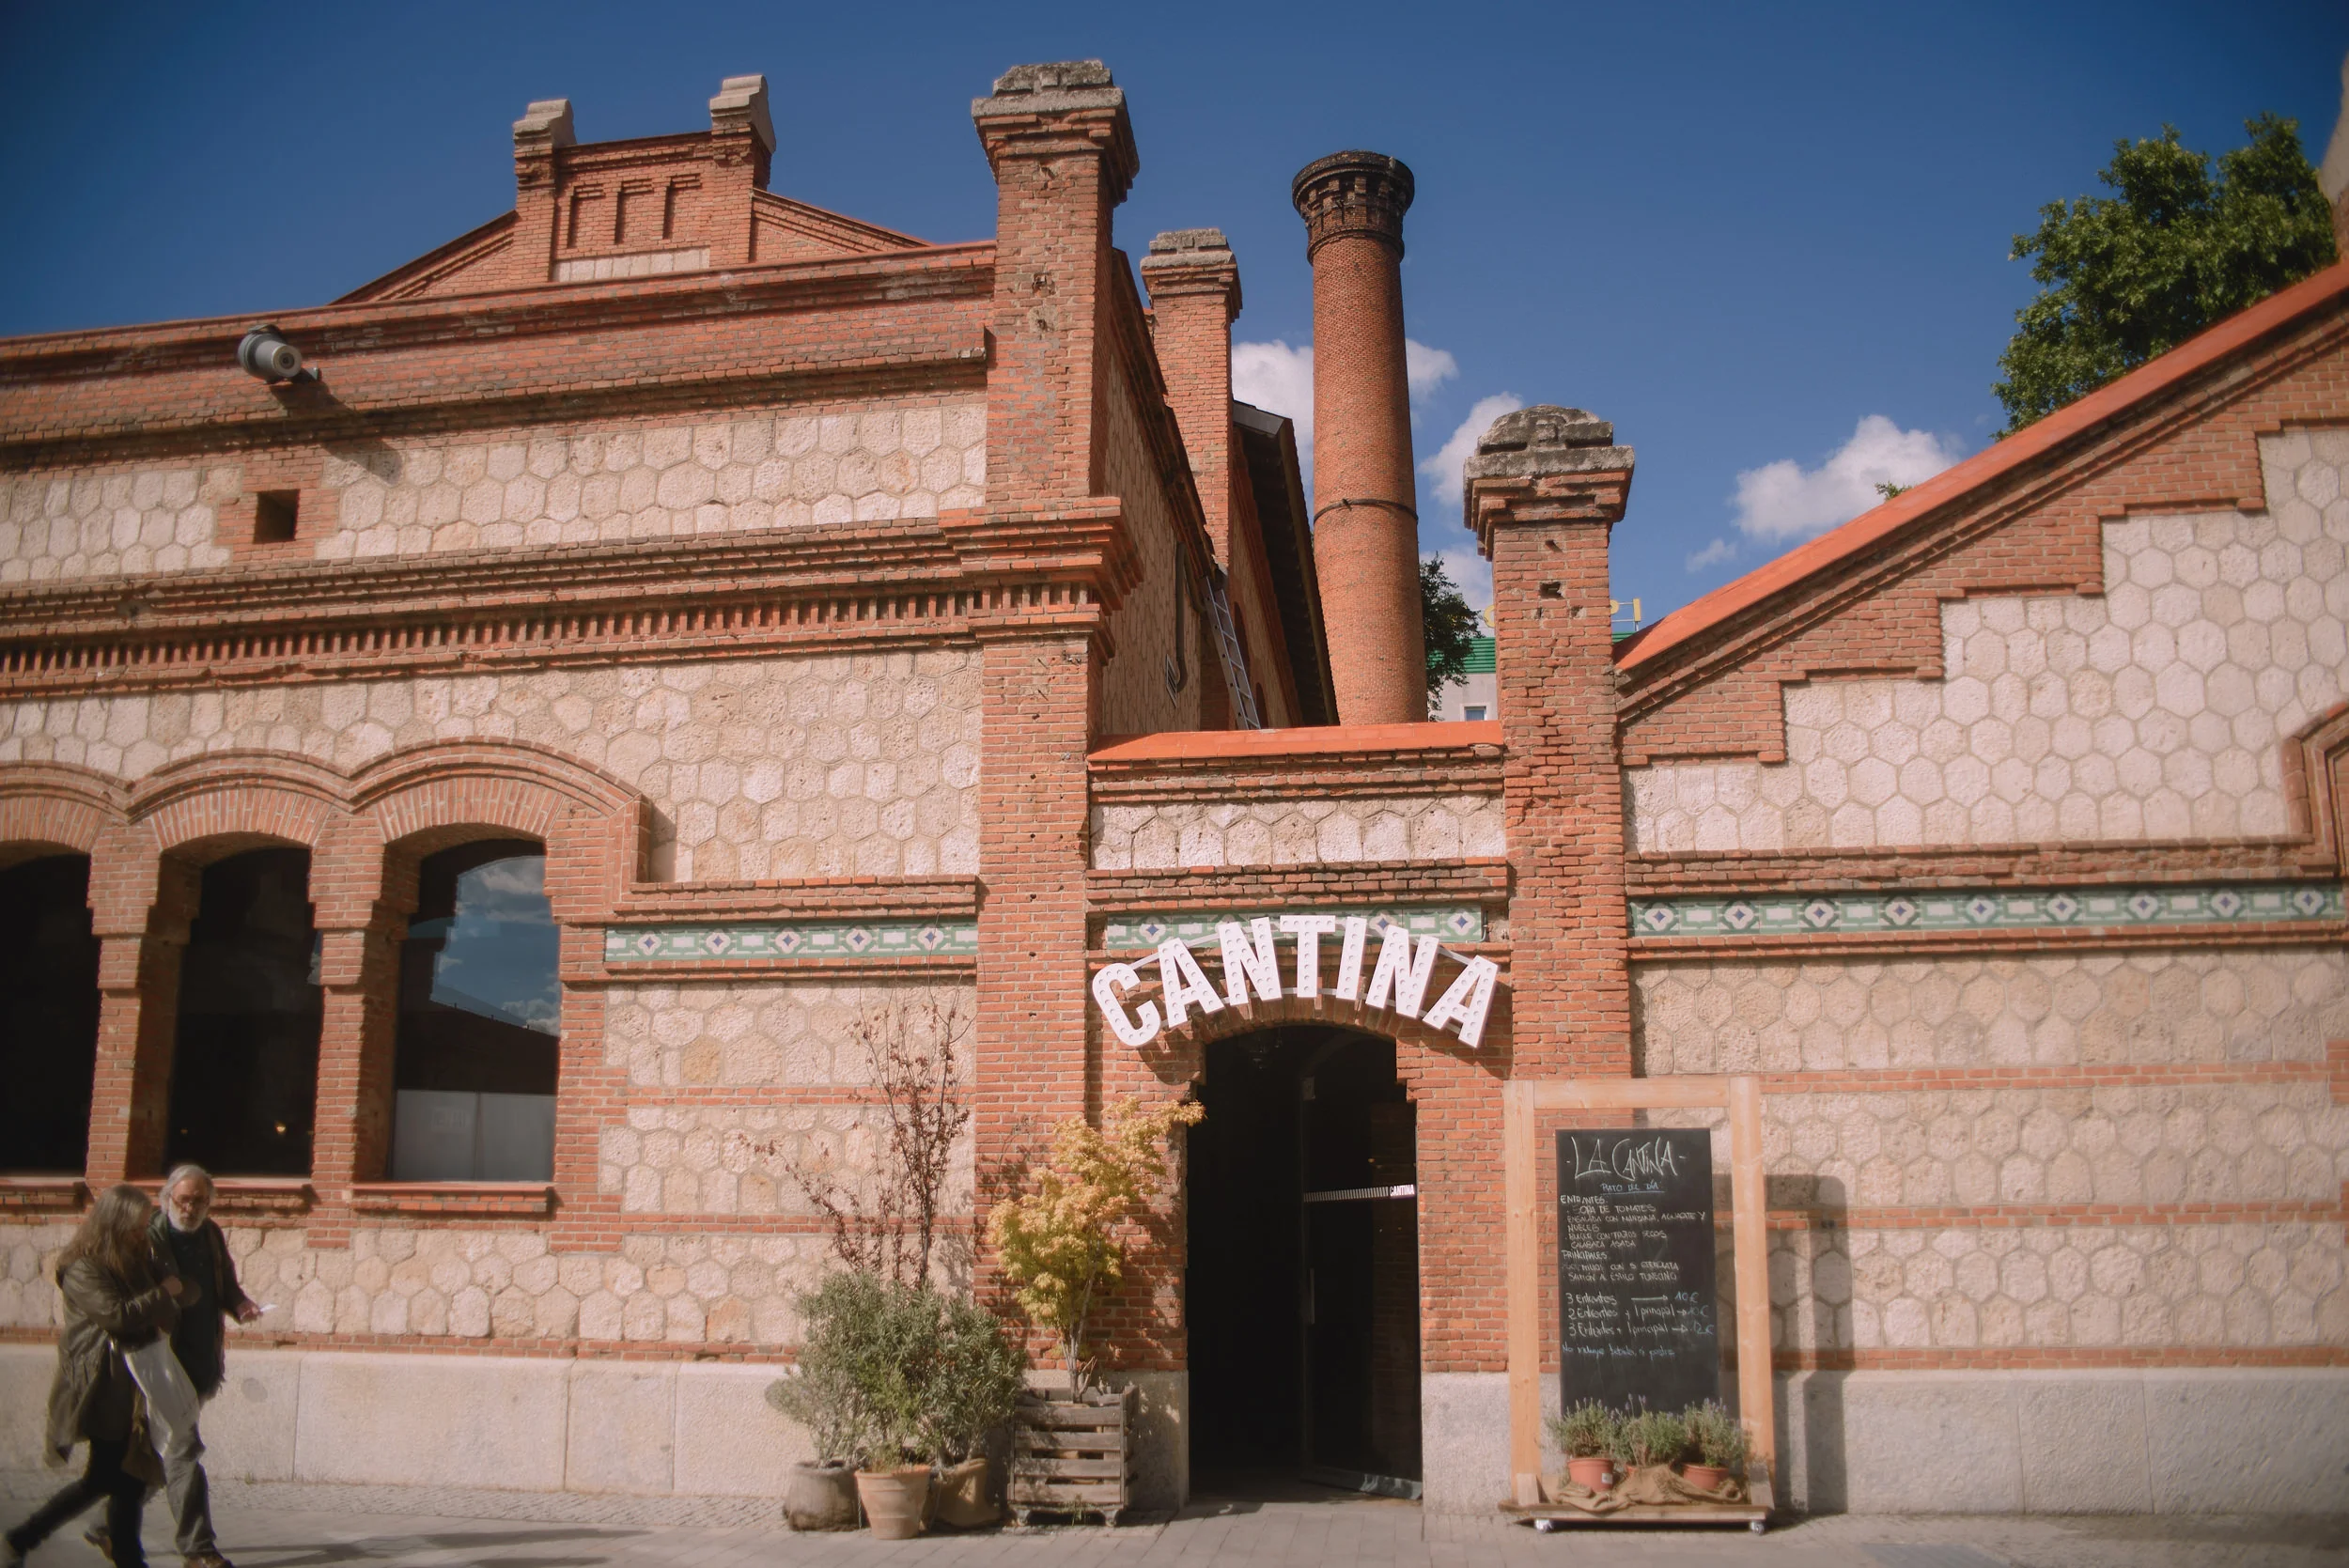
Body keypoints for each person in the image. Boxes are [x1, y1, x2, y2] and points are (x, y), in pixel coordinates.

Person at [3, 1183, 179, 1568]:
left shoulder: (136, 1260)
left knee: (125, 1477)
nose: (142, 1234)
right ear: (114, 1225)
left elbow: (183, 1296)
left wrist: (166, 1275)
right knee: (108, 1477)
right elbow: (116, 1315)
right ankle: (22, 1539)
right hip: (101, 1383)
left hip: (136, 1382)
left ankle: (24, 1540)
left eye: (146, 1226)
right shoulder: (83, 1267)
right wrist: (163, 1292)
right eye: (136, 1227)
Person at [88, 1166, 256, 1568]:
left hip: (200, 1361)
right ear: (166, 1198)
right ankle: (198, 1550)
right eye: (184, 1199)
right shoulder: (149, 1238)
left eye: (200, 1200)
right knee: (184, 1449)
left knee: (154, 1451)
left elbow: (225, 1284)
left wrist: (241, 1305)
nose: (192, 1208)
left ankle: (106, 1525)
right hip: (160, 1363)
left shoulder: (211, 1234)